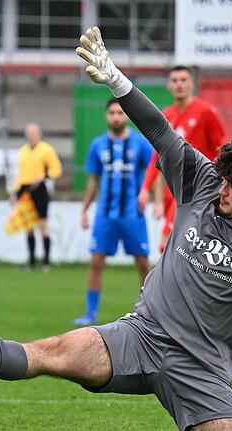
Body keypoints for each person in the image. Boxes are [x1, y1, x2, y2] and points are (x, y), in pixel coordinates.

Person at [0, 27, 232, 431]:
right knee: (54, 352)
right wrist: (116, 80)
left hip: (201, 369)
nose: (223, 189)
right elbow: (160, 130)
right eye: (224, 179)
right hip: (141, 336)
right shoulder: (203, 183)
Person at [76, 98, 153, 326]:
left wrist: (153, 198)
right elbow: (93, 179)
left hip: (133, 213)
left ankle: (151, 311)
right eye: (112, 113)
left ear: (126, 116)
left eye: (120, 113)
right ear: (106, 116)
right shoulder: (98, 145)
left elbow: (153, 171)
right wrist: (84, 209)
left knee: (143, 262)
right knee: (96, 261)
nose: (116, 117)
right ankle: (90, 313)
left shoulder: (139, 143)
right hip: (105, 214)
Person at [137, 66, 226, 252]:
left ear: (192, 83)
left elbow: (221, 150)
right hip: (172, 189)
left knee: (167, 242)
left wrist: (221, 183)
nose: (179, 84)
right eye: (175, 80)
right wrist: (145, 188)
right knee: (180, 247)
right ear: (168, 85)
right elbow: (158, 155)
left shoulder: (206, 111)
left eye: (184, 80)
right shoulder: (166, 115)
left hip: (196, 187)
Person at [9, 123, 62, 269]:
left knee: (43, 225)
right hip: (25, 190)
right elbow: (21, 175)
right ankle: (31, 260)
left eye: (34, 133)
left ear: (39, 134)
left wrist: (44, 177)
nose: (31, 135)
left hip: (40, 189)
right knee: (28, 226)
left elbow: (56, 169)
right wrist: (15, 193)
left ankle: (46, 261)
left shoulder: (46, 149)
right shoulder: (23, 150)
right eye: (29, 133)